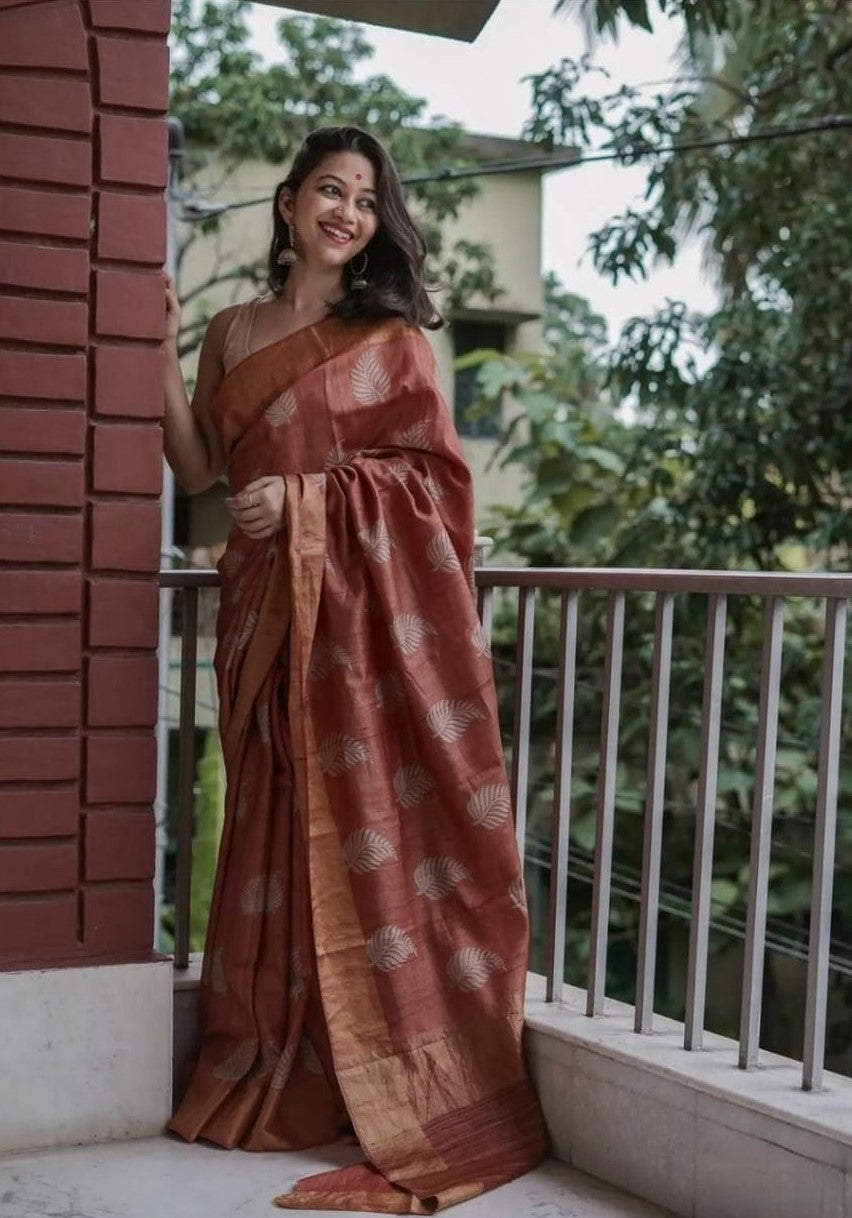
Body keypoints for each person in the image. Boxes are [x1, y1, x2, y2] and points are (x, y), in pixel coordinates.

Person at [163, 125, 546, 1214]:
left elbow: (432, 485)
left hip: (349, 631)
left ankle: (400, 1075)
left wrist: (308, 501)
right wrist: (155, 343)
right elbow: (197, 465)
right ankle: (273, 1060)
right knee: (273, 830)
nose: (348, 211)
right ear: (287, 205)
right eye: (329, 189)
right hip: (260, 620)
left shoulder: (390, 339)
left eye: (367, 199)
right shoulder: (234, 332)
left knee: (362, 824)